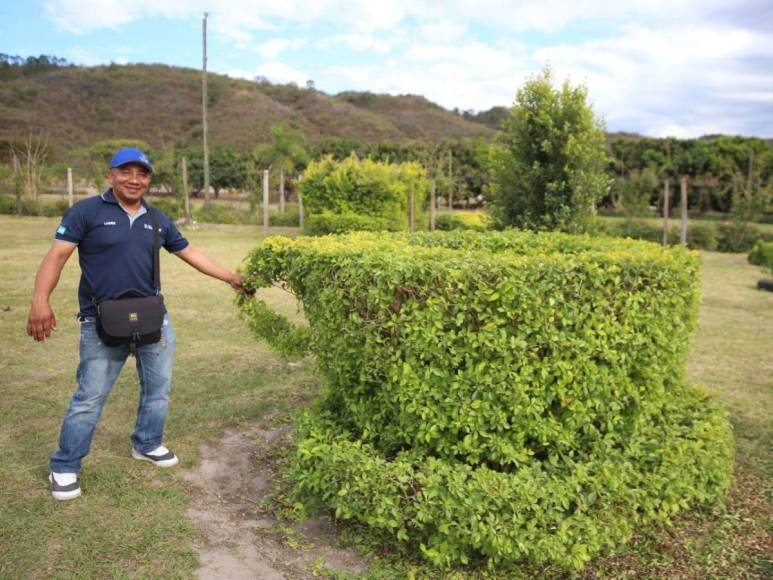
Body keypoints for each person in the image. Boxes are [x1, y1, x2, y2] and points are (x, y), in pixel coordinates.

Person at [27, 147, 243, 501]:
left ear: (149, 180)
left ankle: (147, 444)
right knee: (90, 396)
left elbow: (192, 254)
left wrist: (231, 277)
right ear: (110, 175)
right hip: (100, 320)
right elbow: (57, 256)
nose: (134, 179)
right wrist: (40, 301)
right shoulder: (86, 212)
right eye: (125, 171)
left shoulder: (157, 219)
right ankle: (65, 465)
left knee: (158, 390)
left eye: (142, 174)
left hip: (153, 319)